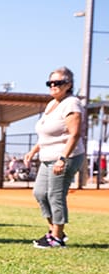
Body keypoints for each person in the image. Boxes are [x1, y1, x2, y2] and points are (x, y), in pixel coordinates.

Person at [24, 66, 86, 249]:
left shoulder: (72, 103)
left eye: (58, 82)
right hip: (47, 157)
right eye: (50, 83)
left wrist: (62, 159)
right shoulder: (52, 104)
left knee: (55, 195)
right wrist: (33, 151)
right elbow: (46, 134)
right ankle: (54, 231)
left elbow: (74, 134)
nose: (53, 85)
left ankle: (57, 238)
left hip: (66, 157)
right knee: (39, 193)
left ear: (69, 84)